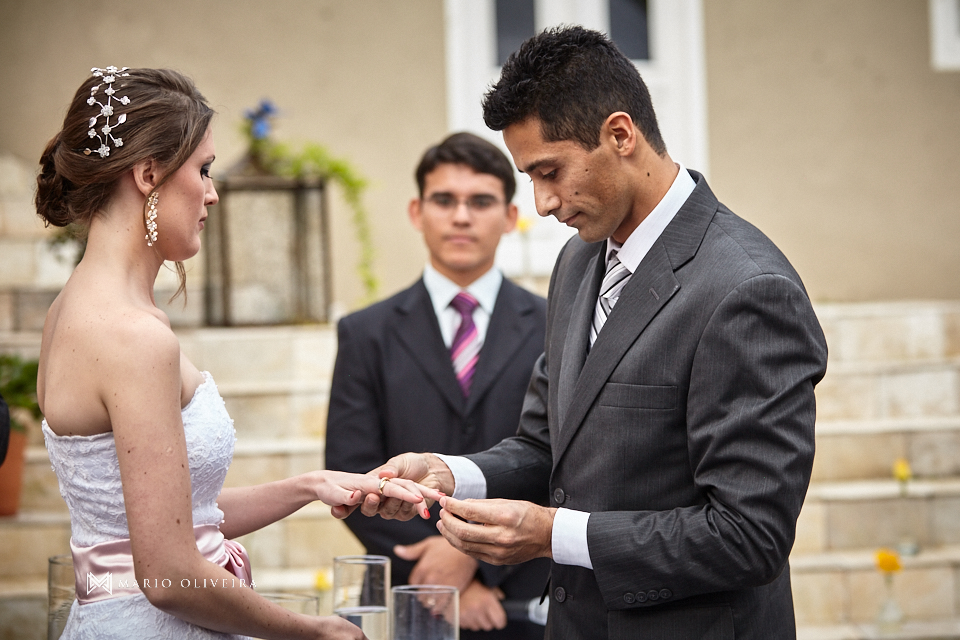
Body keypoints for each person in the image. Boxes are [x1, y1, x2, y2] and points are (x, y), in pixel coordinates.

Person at [344, 26, 829, 639]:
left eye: (551, 170)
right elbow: (548, 446)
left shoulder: (748, 289)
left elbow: (748, 536)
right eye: (531, 179)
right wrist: (449, 473)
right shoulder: (579, 261)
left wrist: (551, 534)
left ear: (620, 135)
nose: (543, 203)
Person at [35, 66, 437, 640]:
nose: (212, 193)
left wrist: (311, 486)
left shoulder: (68, 312)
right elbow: (171, 576)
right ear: (148, 173)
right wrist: (311, 630)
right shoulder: (132, 336)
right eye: (202, 170)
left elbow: (171, 519)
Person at [325, 132, 550, 639]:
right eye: (444, 200)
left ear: (511, 217)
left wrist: (475, 561)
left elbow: (565, 459)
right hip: (406, 596)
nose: (462, 216)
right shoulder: (366, 332)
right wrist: (436, 574)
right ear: (416, 211)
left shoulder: (556, 324)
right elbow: (352, 463)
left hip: (526, 597)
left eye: (481, 201)